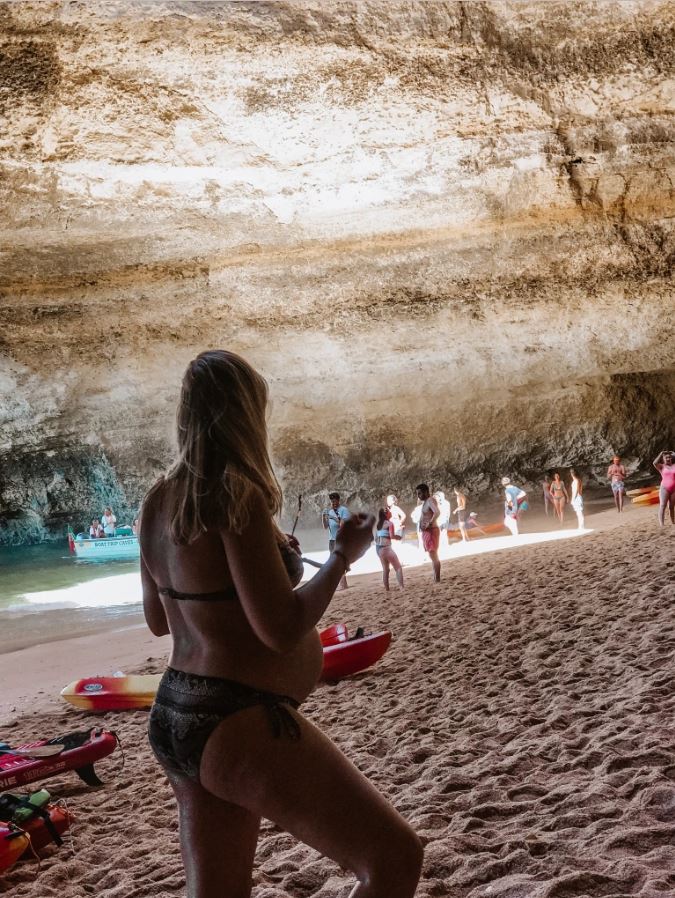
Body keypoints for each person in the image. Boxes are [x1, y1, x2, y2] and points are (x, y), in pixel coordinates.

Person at [139, 350, 422, 898]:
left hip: (175, 712)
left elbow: (157, 619)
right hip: (235, 716)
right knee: (393, 858)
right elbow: (280, 628)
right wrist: (342, 557)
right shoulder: (236, 496)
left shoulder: (157, 501)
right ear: (247, 414)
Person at [322, 492, 350, 590]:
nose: (333, 503)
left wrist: (333, 517)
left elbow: (343, 525)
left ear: (338, 500)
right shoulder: (329, 511)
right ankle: (342, 584)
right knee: (334, 562)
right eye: (331, 501)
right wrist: (323, 517)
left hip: (341, 540)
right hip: (332, 540)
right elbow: (325, 527)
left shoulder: (344, 510)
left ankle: (343, 584)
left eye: (334, 501)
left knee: (340, 562)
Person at [415, 484, 440, 582]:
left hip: (431, 531)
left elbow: (437, 512)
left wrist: (429, 523)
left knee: (433, 554)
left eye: (420, 493)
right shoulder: (426, 501)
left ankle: (437, 578)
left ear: (426, 492)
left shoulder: (430, 500)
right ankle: (436, 577)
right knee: (432, 555)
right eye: (417, 494)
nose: (418, 496)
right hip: (428, 531)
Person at [375, 509, 404, 591]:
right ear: (386, 514)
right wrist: (398, 537)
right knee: (398, 567)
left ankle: (387, 589)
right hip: (386, 548)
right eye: (389, 512)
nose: (391, 512)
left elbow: (376, 538)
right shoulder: (389, 523)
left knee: (385, 569)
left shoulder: (378, 525)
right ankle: (401, 587)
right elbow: (391, 536)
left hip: (379, 549)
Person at [653, 450, 675, 527]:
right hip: (664, 488)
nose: (668, 459)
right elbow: (654, 463)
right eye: (666, 458)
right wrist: (661, 453)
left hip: (674, 489)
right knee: (662, 505)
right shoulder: (661, 466)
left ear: (672, 458)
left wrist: (674, 454)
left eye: (669, 457)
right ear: (663, 459)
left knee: (671, 506)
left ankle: (673, 522)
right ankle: (662, 524)